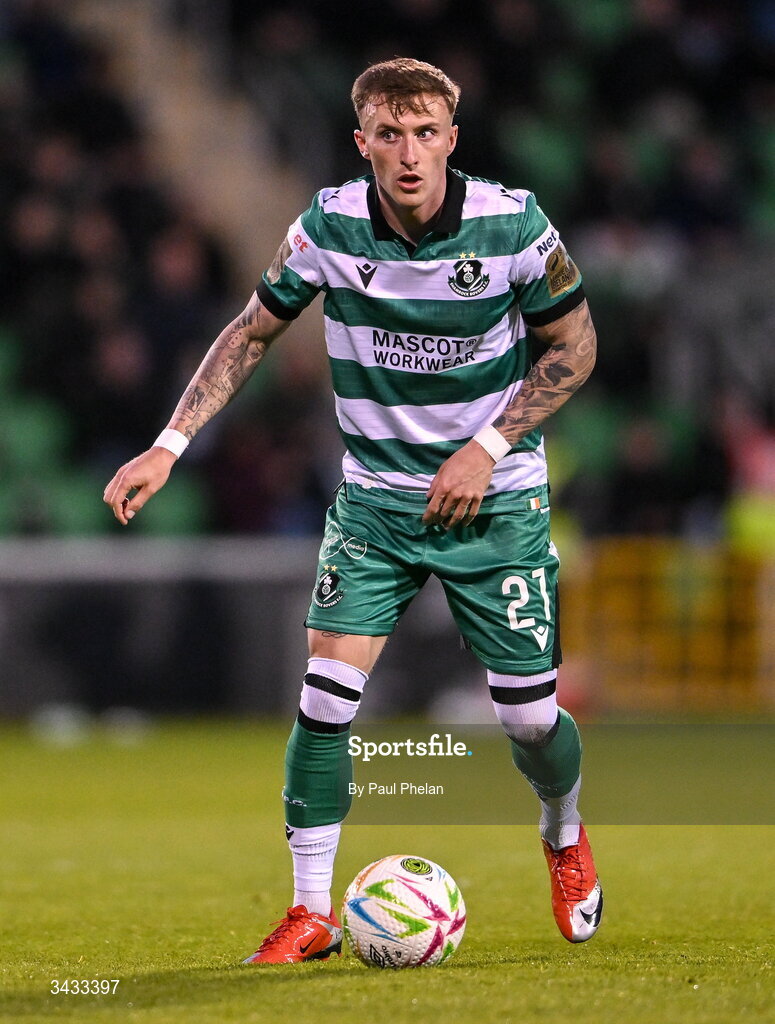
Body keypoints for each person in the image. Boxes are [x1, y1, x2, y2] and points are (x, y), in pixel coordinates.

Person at [104, 57, 602, 963]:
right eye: (388, 133)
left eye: (424, 134)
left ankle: (563, 833)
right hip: (374, 505)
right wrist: (169, 444)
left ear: (451, 139)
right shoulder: (328, 225)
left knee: (530, 721)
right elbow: (252, 329)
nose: (408, 154)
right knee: (325, 702)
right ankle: (311, 912)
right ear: (361, 141)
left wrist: (485, 448)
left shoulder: (511, 224)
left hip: (495, 502)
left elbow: (574, 344)